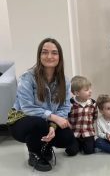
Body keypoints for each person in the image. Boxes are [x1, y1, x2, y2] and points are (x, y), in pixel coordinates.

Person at [7, 38, 77, 172]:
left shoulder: (65, 81)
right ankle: (35, 153)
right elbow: (27, 108)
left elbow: (64, 107)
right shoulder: (27, 77)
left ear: (59, 57)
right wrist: (54, 118)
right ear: (39, 56)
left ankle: (45, 146)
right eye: (45, 52)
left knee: (67, 137)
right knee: (39, 123)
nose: (49, 56)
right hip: (21, 121)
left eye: (54, 53)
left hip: (47, 122)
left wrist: (53, 126)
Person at [68, 75, 98, 154]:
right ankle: (77, 145)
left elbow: (95, 116)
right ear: (77, 93)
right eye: (87, 90)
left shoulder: (93, 103)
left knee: (89, 151)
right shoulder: (70, 103)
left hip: (88, 132)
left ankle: (84, 145)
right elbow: (66, 117)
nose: (90, 91)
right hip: (75, 133)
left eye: (90, 89)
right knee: (71, 151)